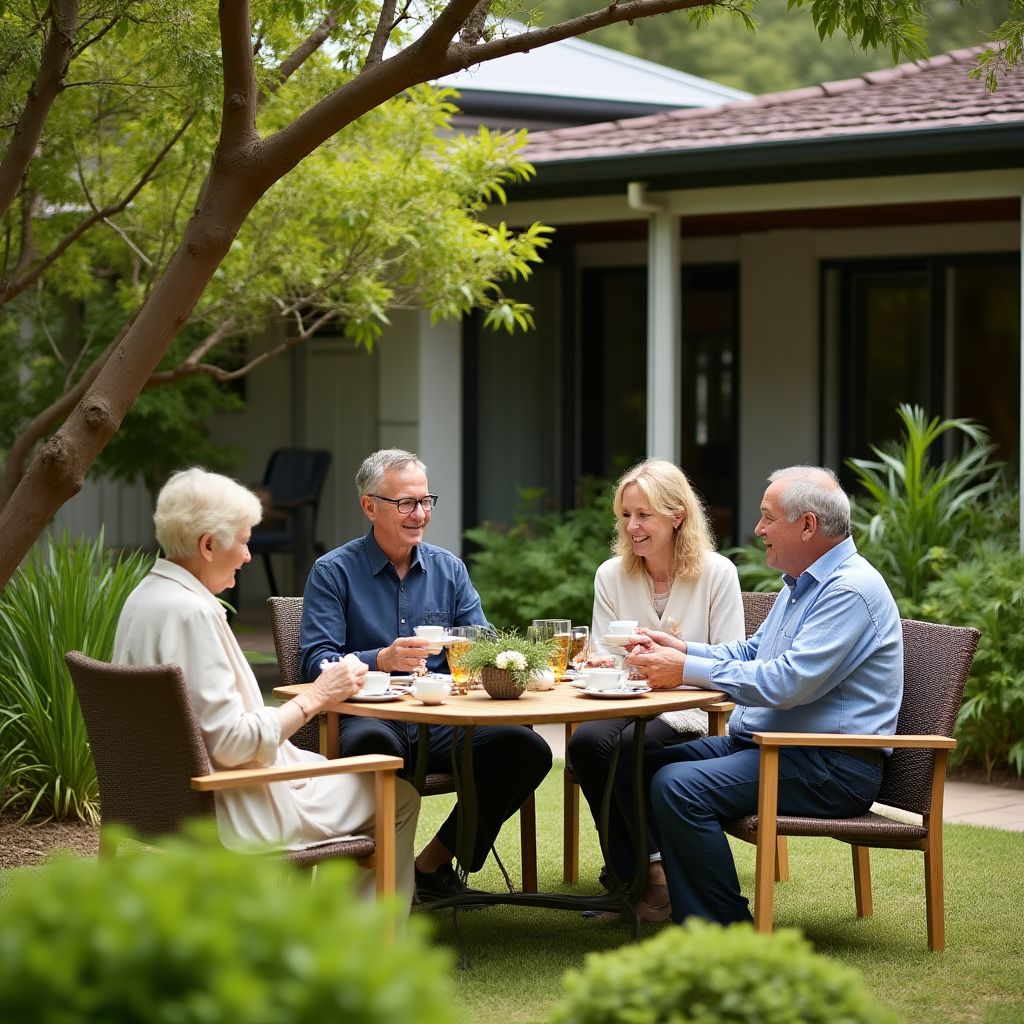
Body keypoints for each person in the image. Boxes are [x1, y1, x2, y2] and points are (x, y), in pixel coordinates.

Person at [112, 468, 421, 907]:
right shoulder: (193, 615)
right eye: (243, 540)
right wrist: (317, 695)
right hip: (233, 805)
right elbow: (235, 743)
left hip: (164, 801)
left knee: (355, 774)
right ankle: (359, 953)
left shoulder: (145, 597)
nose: (248, 556)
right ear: (208, 545)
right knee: (398, 796)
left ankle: (325, 934)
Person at [620, 465, 904, 925]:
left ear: (807, 525)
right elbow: (755, 650)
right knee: (637, 761)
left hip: (828, 765)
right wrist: (683, 648)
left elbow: (787, 681)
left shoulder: (850, 590)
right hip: (771, 747)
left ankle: (723, 926)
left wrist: (685, 671)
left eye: (767, 517)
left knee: (679, 787)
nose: (758, 529)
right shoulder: (803, 583)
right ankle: (656, 895)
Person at [299, 448, 552, 901]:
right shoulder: (333, 571)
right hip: (369, 719)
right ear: (369, 506)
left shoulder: (448, 569)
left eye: (425, 501)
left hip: (442, 722)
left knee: (526, 749)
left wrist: (489, 655)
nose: (420, 514)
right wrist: (381, 658)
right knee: (370, 749)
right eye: (406, 504)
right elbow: (314, 660)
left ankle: (433, 864)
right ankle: (376, 890)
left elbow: (484, 642)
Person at [566, 458, 743, 919]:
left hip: (690, 707)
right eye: (625, 515)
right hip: (627, 699)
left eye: (643, 515)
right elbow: (608, 653)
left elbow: (732, 655)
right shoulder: (612, 574)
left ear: (677, 515)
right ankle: (634, 874)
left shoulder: (717, 573)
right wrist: (599, 660)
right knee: (586, 744)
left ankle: (651, 881)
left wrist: (678, 659)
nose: (632, 526)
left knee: (628, 749)